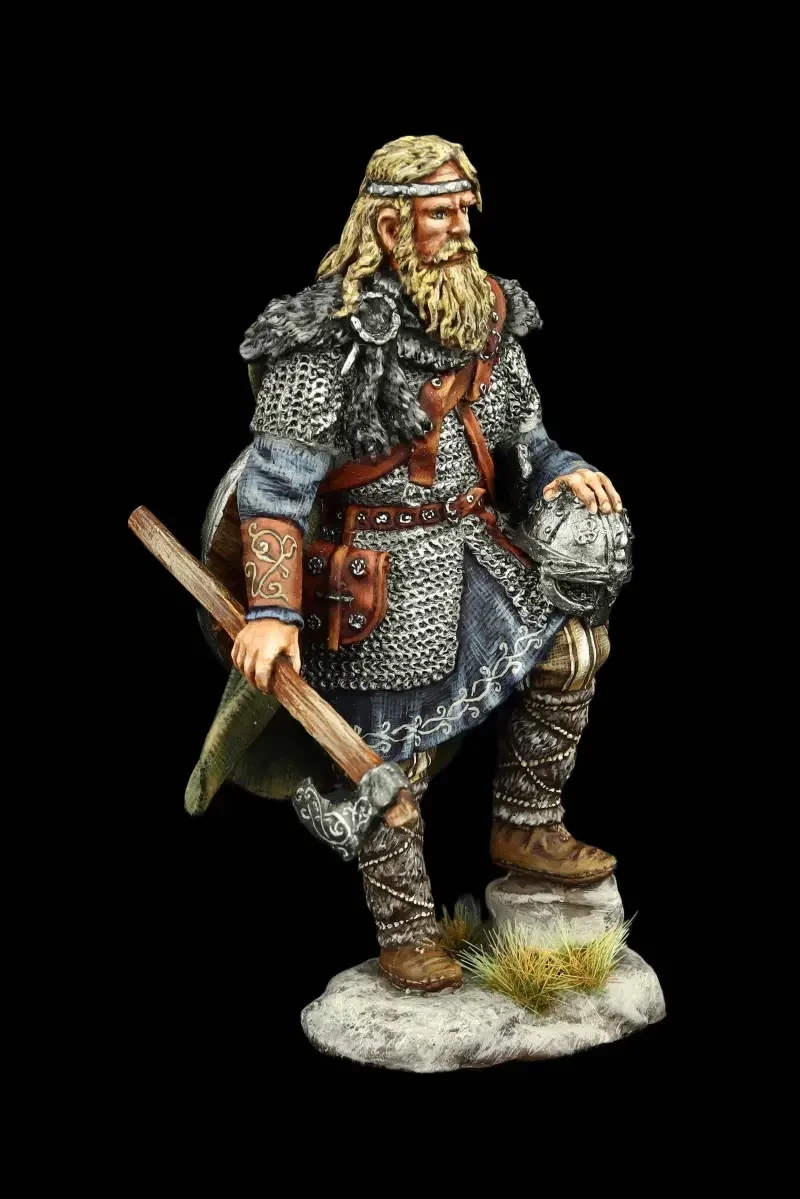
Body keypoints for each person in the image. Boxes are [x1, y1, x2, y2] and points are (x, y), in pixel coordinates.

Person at [191, 134, 625, 993]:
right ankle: (406, 931)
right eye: (440, 212)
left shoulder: (484, 314)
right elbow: (275, 488)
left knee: (574, 650)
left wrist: (560, 466)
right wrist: (273, 611)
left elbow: (523, 433)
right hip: (375, 574)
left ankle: (526, 824)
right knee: (387, 759)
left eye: (466, 207)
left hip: (471, 540)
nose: (461, 226)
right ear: (389, 227)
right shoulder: (326, 338)